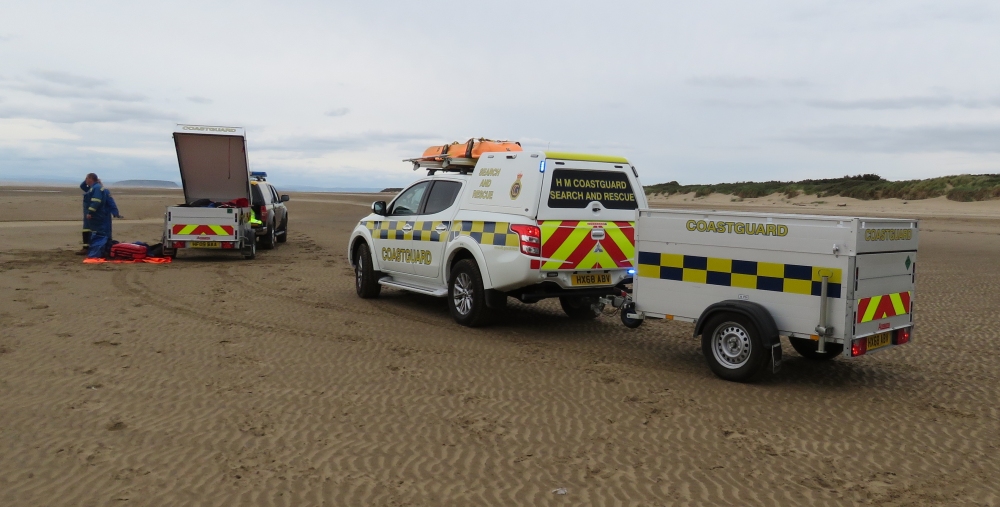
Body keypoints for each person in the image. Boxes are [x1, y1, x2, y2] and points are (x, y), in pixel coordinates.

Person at [83, 173, 123, 258]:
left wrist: (90, 212)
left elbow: (99, 201)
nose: (85, 180)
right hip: (99, 215)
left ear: (90, 179)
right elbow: (83, 186)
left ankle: (102, 250)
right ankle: (96, 249)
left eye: (87, 178)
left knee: (101, 233)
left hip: (100, 215)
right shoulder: (94, 188)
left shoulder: (97, 189)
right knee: (98, 232)